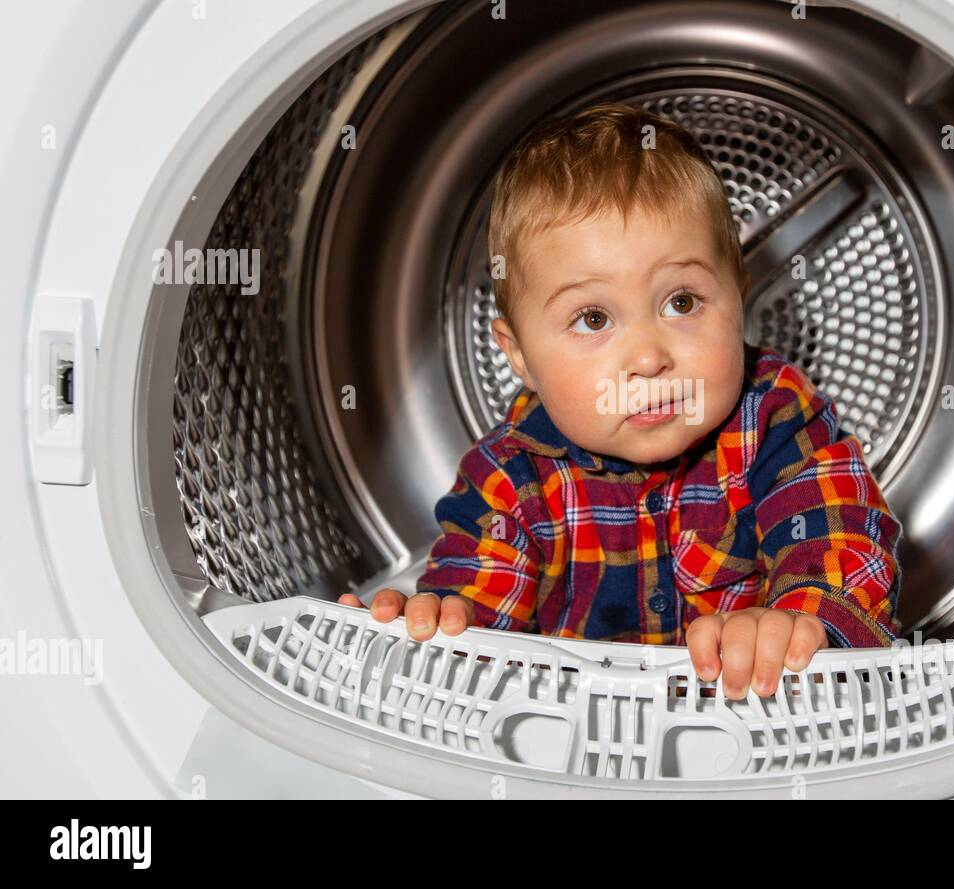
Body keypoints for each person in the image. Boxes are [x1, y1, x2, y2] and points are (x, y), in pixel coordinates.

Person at [339, 102, 903, 700]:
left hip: (757, 739)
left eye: (681, 302)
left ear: (738, 296)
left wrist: (797, 621)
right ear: (520, 354)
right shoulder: (510, 476)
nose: (646, 357)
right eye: (593, 317)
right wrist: (423, 631)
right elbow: (473, 617)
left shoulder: (774, 418)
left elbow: (842, 539)